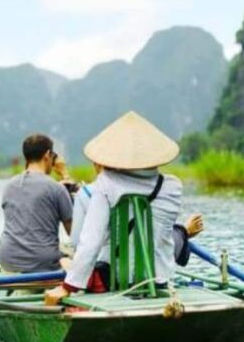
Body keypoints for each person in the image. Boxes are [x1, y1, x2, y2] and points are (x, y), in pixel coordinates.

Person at [45, 111, 188, 305]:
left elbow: (91, 241)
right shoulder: (173, 187)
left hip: (117, 281)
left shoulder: (105, 185)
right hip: (161, 280)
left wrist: (68, 286)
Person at [0, 134, 74, 274]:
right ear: (48, 155)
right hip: (43, 264)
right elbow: (73, 234)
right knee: (71, 256)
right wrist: (64, 173)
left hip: (7, 261)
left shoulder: (9, 186)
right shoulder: (56, 188)